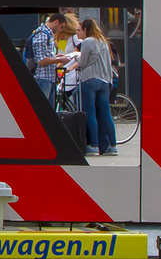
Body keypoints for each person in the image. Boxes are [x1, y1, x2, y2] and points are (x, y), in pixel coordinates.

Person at [77, 19, 117, 156]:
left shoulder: (87, 42)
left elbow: (82, 63)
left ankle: (93, 146)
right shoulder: (104, 41)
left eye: (79, 29)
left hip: (90, 80)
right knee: (106, 114)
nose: (78, 32)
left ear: (86, 30)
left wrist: (75, 58)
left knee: (90, 113)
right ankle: (112, 145)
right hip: (105, 81)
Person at [28, 13, 72, 102]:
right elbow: (40, 60)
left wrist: (56, 57)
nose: (61, 30)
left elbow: (44, 56)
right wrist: (60, 60)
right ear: (56, 22)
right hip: (42, 78)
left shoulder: (48, 35)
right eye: (61, 26)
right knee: (43, 107)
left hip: (49, 78)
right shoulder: (42, 35)